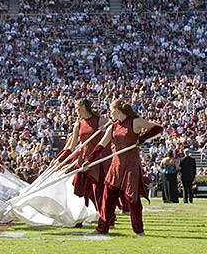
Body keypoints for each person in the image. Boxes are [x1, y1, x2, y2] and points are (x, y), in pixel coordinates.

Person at [86, 100, 163, 236]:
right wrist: (88, 161)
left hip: (131, 164)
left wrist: (142, 138)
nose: (110, 113)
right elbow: (101, 145)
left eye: (111, 110)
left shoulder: (135, 122)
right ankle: (102, 228)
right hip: (116, 164)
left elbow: (158, 128)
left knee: (132, 197)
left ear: (117, 110)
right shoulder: (113, 126)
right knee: (108, 196)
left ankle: (138, 230)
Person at [66, 99, 111, 213]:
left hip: (95, 161)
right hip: (82, 161)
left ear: (83, 107)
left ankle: (104, 218)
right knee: (78, 190)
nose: (76, 111)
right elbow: (71, 147)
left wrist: (105, 130)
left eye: (77, 108)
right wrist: (61, 160)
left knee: (97, 191)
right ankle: (80, 217)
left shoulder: (100, 121)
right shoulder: (78, 124)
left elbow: (113, 127)